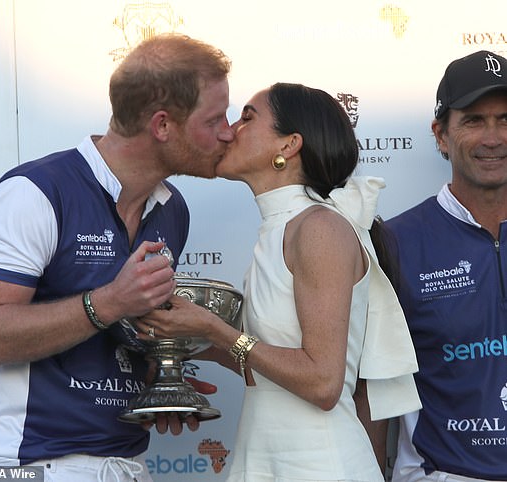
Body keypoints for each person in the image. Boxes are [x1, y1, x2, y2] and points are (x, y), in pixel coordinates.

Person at [0, 33, 234, 481]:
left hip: (126, 464)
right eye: (215, 118)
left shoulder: (172, 209)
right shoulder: (36, 192)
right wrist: (108, 302)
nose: (228, 132)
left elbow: (121, 339)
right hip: (33, 466)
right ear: (162, 126)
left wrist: (161, 383)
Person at [136, 82, 421, 481]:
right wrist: (178, 342)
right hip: (266, 458)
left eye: (247, 117)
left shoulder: (318, 227)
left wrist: (214, 330)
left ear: (288, 146)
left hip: (317, 466)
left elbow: (322, 382)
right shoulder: (281, 228)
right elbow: (268, 367)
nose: (229, 130)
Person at [387, 50, 507, 481]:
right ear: (441, 134)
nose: (493, 137)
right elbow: (370, 386)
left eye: (506, 119)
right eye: (474, 120)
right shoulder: (395, 241)